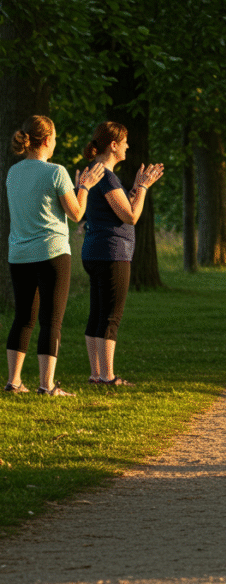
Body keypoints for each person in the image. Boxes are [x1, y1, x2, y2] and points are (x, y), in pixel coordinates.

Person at [6, 116, 102, 397]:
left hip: (19, 254)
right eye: (56, 137)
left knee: (23, 317)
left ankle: (13, 382)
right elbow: (76, 214)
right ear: (47, 140)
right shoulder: (56, 172)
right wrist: (84, 186)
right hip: (52, 253)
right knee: (51, 320)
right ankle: (46, 386)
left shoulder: (13, 172)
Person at [81, 121, 165, 387]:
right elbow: (130, 216)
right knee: (110, 316)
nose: (128, 145)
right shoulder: (106, 176)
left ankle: (96, 375)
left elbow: (116, 207)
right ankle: (107, 376)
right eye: (125, 141)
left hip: (95, 251)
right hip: (112, 253)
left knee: (97, 313)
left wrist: (136, 188)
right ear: (114, 145)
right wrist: (142, 188)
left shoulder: (94, 173)